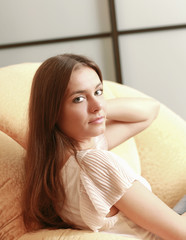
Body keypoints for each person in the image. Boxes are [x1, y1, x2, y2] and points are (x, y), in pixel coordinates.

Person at [23, 54, 186, 240]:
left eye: (98, 92)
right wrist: (96, 107)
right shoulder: (94, 163)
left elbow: (150, 111)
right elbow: (181, 233)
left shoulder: (55, 158)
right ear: (52, 110)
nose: (96, 105)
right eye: (78, 99)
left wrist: (97, 107)